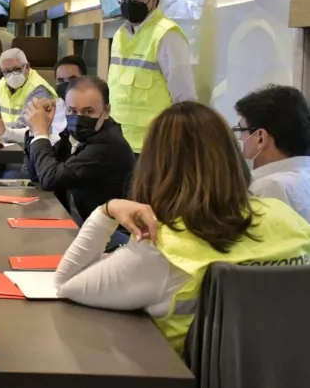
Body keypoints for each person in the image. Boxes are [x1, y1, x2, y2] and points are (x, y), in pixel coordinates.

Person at [53, 101, 310, 354]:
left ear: (155, 166)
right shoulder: (288, 218)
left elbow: (66, 282)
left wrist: (107, 211)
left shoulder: (164, 246)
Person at [24, 76, 135, 249]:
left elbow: (51, 178)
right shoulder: (75, 136)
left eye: (88, 112)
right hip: (82, 227)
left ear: (106, 112)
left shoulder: (107, 145)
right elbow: (38, 175)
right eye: (72, 111)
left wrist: (41, 132)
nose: (78, 118)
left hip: (112, 237)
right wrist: (34, 131)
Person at [109, 0, 197, 154]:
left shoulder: (167, 35)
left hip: (153, 146)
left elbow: (184, 98)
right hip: (118, 144)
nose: (129, 4)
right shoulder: (120, 35)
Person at [234, 85, 310, 221]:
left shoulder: (266, 187)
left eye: (241, 129)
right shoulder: (304, 176)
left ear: (260, 137)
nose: (240, 138)